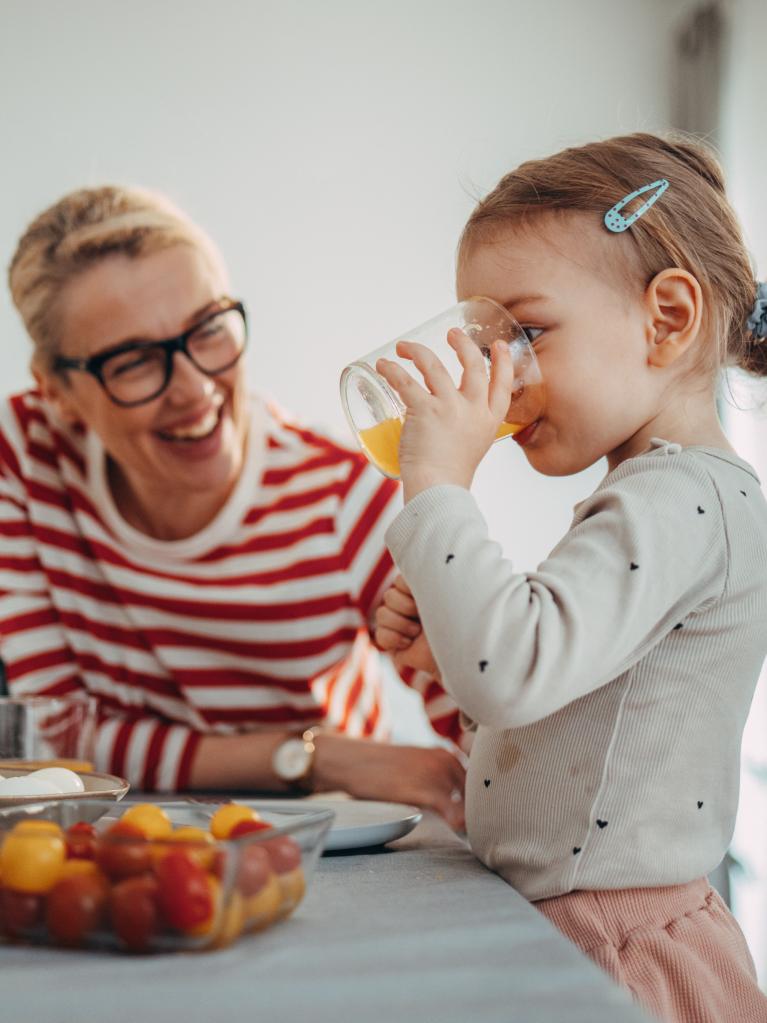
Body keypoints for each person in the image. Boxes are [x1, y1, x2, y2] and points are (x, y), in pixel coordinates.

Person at [373, 133, 767, 1022]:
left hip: (611, 948)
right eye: (483, 341)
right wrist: (452, 651)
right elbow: (563, 701)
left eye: (526, 332)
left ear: (666, 319)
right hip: (579, 921)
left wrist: (437, 484)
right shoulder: (662, 494)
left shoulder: (676, 501)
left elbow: (509, 671)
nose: (499, 373)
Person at [0, 185, 465, 826]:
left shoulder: (338, 500)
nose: (195, 390)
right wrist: (310, 757)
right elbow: (55, 740)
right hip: (117, 849)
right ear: (57, 392)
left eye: (208, 328)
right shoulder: (22, 456)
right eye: (133, 361)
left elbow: (489, 716)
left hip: (325, 850)